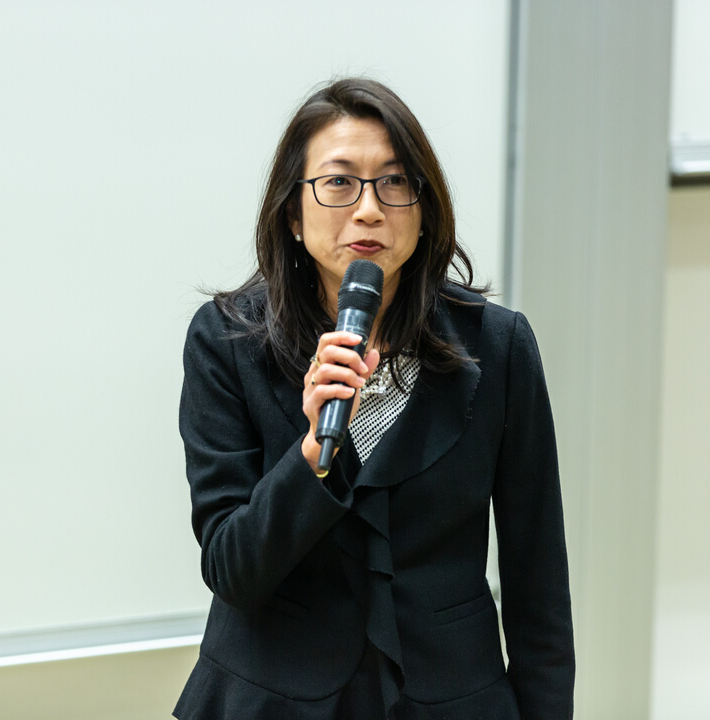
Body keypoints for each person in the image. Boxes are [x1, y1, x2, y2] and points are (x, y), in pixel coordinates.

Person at [175, 78, 574, 720]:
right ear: (292, 214)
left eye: (394, 182)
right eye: (338, 182)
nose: (368, 210)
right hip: (272, 700)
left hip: (449, 698)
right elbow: (233, 570)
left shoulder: (497, 347)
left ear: (424, 209)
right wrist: (311, 454)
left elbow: (539, 582)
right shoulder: (226, 342)